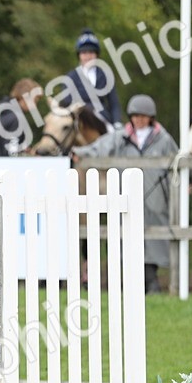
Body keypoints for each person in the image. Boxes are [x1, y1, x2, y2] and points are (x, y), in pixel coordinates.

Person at [71, 94, 176, 294]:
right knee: (125, 235)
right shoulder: (121, 136)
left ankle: (151, 280)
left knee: (153, 237)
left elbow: (176, 160)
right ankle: (131, 282)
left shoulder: (163, 138)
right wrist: (80, 152)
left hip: (154, 195)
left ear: (151, 117)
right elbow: (99, 148)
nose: (139, 119)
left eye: (143, 116)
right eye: (135, 116)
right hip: (126, 194)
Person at [56, 29, 122, 133]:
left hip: (101, 118)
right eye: (84, 52)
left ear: (96, 54)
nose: (88, 56)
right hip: (78, 118)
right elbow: (67, 100)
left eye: (91, 52)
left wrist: (117, 122)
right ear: (79, 55)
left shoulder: (105, 75)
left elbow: (114, 102)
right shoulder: (71, 77)